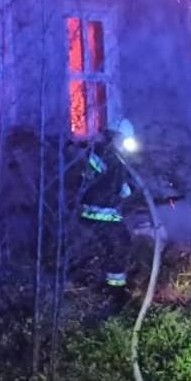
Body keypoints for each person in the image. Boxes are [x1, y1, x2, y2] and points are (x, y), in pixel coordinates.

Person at [77, 118, 140, 294]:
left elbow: (122, 188)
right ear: (115, 136)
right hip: (97, 212)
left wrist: (125, 187)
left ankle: (109, 285)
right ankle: (114, 290)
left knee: (116, 244)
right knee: (119, 243)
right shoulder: (103, 154)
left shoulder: (116, 159)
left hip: (104, 212)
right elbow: (93, 175)